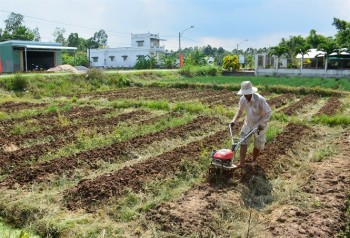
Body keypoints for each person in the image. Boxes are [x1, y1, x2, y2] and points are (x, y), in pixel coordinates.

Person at [230, 81, 271, 168]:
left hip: (259, 125)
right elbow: (240, 111)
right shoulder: (242, 99)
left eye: (247, 94)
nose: (246, 95)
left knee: (258, 145)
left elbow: (268, 112)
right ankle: (241, 163)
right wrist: (234, 120)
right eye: (244, 94)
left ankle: (254, 160)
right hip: (248, 123)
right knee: (243, 142)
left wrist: (262, 124)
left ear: (251, 92)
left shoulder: (260, 99)